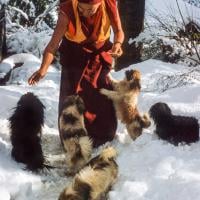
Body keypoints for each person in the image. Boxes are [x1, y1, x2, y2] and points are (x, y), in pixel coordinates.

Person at [28, 0, 124, 147]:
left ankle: (102, 139)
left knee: (100, 98)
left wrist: (117, 44)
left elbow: (118, 31)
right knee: (72, 99)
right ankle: (72, 141)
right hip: (74, 58)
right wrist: (43, 69)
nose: (85, 13)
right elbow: (53, 46)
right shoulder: (67, 11)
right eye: (81, 8)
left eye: (90, 10)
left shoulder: (108, 4)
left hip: (99, 56)